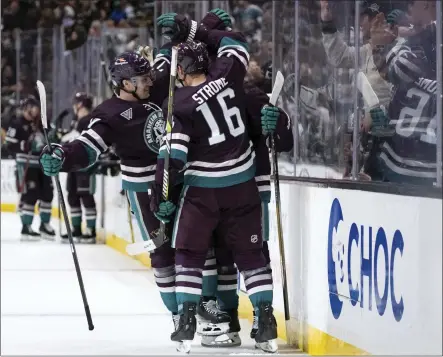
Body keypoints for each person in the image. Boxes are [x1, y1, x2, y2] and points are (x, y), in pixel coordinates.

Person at [152, 12, 278, 353]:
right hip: (243, 184)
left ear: (180, 71)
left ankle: (188, 321)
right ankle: (265, 321)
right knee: (251, 253)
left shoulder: (177, 103)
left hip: (203, 191)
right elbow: (235, 42)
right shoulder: (231, 75)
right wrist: (198, 29)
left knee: (190, 253)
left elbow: (172, 158)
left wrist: (159, 198)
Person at [38, 49, 183, 345]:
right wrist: (63, 156)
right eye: (142, 79)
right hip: (143, 188)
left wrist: (187, 34)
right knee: (162, 251)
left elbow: (173, 55)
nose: (148, 82)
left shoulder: (155, 87)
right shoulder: (108, 114)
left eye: (148, 76)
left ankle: (202, 308)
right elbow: (87, 147)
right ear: (125, 84)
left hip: (181, 177)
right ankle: (179, 315)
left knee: (196, 244)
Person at [5, 95, 56, 240]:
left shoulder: (41, 124)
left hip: (42, 165)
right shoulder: (16, 124)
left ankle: (45, 225)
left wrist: (53, 137)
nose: (36, 110)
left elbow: (52, 137)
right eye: (33, 107)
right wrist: (25, 145)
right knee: (30, 195)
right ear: (26, 108)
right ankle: (26, 227)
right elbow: (8, 146)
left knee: (47, 194)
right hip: (26, 165)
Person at [59, 92, 97, 243]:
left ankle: (91, 230)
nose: (74, 106)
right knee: (72, 196)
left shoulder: (88, 120)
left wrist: (65, 138)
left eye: (76, 103)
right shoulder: (76, 121)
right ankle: (76, 230)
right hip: (74, 165)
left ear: (81, 104)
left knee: (86, 196)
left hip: (86, 165)